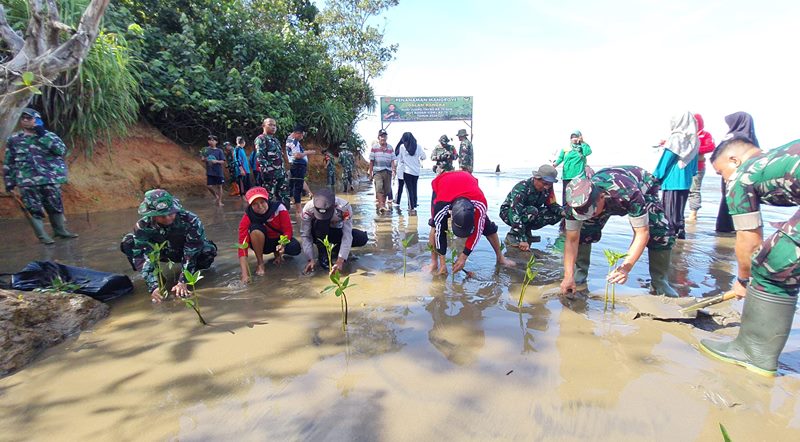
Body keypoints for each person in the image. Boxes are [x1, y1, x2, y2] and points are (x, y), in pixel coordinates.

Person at [699, 136, 800, 377]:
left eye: (721, 172)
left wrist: (744, 280)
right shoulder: (778, 156)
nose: (724, 179)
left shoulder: (742, 175)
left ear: (734, 159)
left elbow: (748, 237)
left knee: (772, 265)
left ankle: (753, 353)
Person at [559, 166, 678, 297]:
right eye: (582, 213)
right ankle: (578, 277)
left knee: (660, 231)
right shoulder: (575, 203)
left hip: (642, 186)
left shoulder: (629, 194)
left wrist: (625, 268)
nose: (588, 215)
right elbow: (572, 239)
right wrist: (567, 276)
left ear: (602, 197)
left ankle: (660, 283)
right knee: (584, 231)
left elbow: (642, 233)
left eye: (590, 211)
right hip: (599, 192)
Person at [120, 189, 217, 303]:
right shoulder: (142, 227)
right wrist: (153, 285)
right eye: (161, 216)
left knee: (208, 250)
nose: (167, 218)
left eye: (170, 213)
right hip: (161, 253)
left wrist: (183, 281)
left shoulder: (191, 220)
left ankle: (195, 274)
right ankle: (159, 280)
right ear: (153, 215)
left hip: (182, 252)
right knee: (128, 241)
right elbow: (141, 255)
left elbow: (191, 252)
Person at [3, 108, 78, 244]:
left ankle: (60, 231)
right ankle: (43, 237)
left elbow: (61, 150)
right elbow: (9, 162)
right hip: (27, 181)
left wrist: (42, 134)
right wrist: (9, 182)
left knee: (55, 206)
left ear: (37, 120)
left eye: (29, 118)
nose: (25, 120)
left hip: (50, 178)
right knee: (33, 209)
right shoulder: (14, 139)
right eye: (23, 118)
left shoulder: (49, 136)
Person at [426, 171, 515, 275]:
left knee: (488, 226)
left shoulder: (480, 204)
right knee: (435, 226)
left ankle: (501, 258)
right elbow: (439, 234)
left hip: (468, 185)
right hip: (443, 185)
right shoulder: (441, 206)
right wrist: (443, 264)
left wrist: (463, 257)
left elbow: (478, 231)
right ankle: (434, 263)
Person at [237, 187, 301, 283]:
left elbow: (288, 231)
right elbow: (242, 246)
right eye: (255, 204)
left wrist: (282, 245)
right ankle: (260, 263)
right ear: (250, 205)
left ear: (267, 200)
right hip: (263, 244)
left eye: (262, 202)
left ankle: (278, 254)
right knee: (255, 230)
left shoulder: (279, 208)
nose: (260, 206)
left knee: (294, 247)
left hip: (278, 241)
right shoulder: (248, 216)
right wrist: (245, 275)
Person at [653, 111, 699, 239]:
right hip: (685, 180)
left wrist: (656, 176)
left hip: (673, 179)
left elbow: (666, 160)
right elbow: (695, 164)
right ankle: (680, 231)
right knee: (679, 209)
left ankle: (670, 236)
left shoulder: (676, 138)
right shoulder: (694, 139)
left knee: (669, 209)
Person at [301, 188, 368, 273]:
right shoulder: (308, 209)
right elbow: (306, 235)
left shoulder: (344, 207)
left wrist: (341, 259)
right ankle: (323, 255)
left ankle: (336, 249)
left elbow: (347, 235)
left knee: (361, 238)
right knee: (321, 223)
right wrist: (310, 259)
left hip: (336, 231)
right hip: (318, 233)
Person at [500, 164, 564, 250]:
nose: (546, 187)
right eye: (545, 184)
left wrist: (563, 212)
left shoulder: (548, 188)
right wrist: (522, 239)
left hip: (530, 213)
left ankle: (526, 232)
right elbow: (515, 212)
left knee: (555, 214)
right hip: (509, 213)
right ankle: (513, 235)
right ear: (536, 178)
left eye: (549, 184)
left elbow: (552, 205)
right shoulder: (522, 188)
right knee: (532, 211)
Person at [716, 112, 760, 233]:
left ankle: (724, 228)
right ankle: (745, 230)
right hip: (749, 176)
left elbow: (719, 154)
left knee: (729, 200)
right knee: (747, 202)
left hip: (731, 174)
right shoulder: (752, 138)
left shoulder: (732, 137)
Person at [254, 118, 291, 209]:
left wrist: (284, 171)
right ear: (263, 126)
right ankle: (268, 218)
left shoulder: (276, 140)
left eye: (274, 125)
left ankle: (284, 217)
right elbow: (260, 156)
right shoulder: (261, 139)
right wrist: (266, 171)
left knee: (284, 196)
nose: (273, 127)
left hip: (281, 173)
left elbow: (279, 157)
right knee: (268, 197)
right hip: (270, 174)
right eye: (270, 125)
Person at [686, 113, 716, 222]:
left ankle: (693, 213)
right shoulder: (686, 134)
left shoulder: (705, 135)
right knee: (683, 189)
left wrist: (694, 149)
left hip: (698, 166)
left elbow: (711, 147)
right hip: (685, 167)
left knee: (694, 189)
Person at [286, 124, 316, 220]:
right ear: (297, 134)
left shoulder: (290, 139)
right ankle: (299, 211)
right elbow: (297, 155)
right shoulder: (294, 141)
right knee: (298, 187)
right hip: (298, 165)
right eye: (302, 135)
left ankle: (298, 209)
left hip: (297, 165)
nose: (302, 137)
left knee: (297, 184)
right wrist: (309, 152)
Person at [553, 130, 592, 204]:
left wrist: (582, 143)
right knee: (566, 197)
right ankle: (564, 212)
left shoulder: (583, 147)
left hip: (579, 177)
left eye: (576, 137)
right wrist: (554, 165)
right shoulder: (566, 148)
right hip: (567, 176)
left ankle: (579, 212)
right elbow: (560, 158)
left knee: (578, 197)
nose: (574, 139)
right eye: (572, 137)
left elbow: (587, 152)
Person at [395, 132, 426, 213]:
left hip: (407, 171)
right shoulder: (418, 146)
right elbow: (424, 156)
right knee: (414, 188)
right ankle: (414, 204)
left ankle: (411, 207)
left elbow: (401, 159)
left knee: (409, 190)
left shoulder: (402, 147)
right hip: (416, 171)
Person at [369, 128, 395, 213]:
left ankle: (383, 204)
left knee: (387, 189)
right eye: (381, 136)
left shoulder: (390, 147)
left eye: (384, 136)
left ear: (386, 137)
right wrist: (370, 172)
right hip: (378, 171)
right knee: (379, 187)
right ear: (378, 138)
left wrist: (394, 170)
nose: (383, 138)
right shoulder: (374, 148)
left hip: (388, 171)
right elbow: (371, 161)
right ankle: (381, 205)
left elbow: (392, 160)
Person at [205, 135, 226, 207]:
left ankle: (219, 201)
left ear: (216, 142)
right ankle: (216, 196)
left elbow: (223, 161)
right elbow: (202, 158)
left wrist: (216, 161)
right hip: (210, 171)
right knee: (209, 186)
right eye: (210, 140)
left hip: (218, 171)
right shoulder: (206, 150)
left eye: (213, 140)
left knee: (219, 186)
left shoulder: (219, 151)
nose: (211, 142)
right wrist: (206, 159)